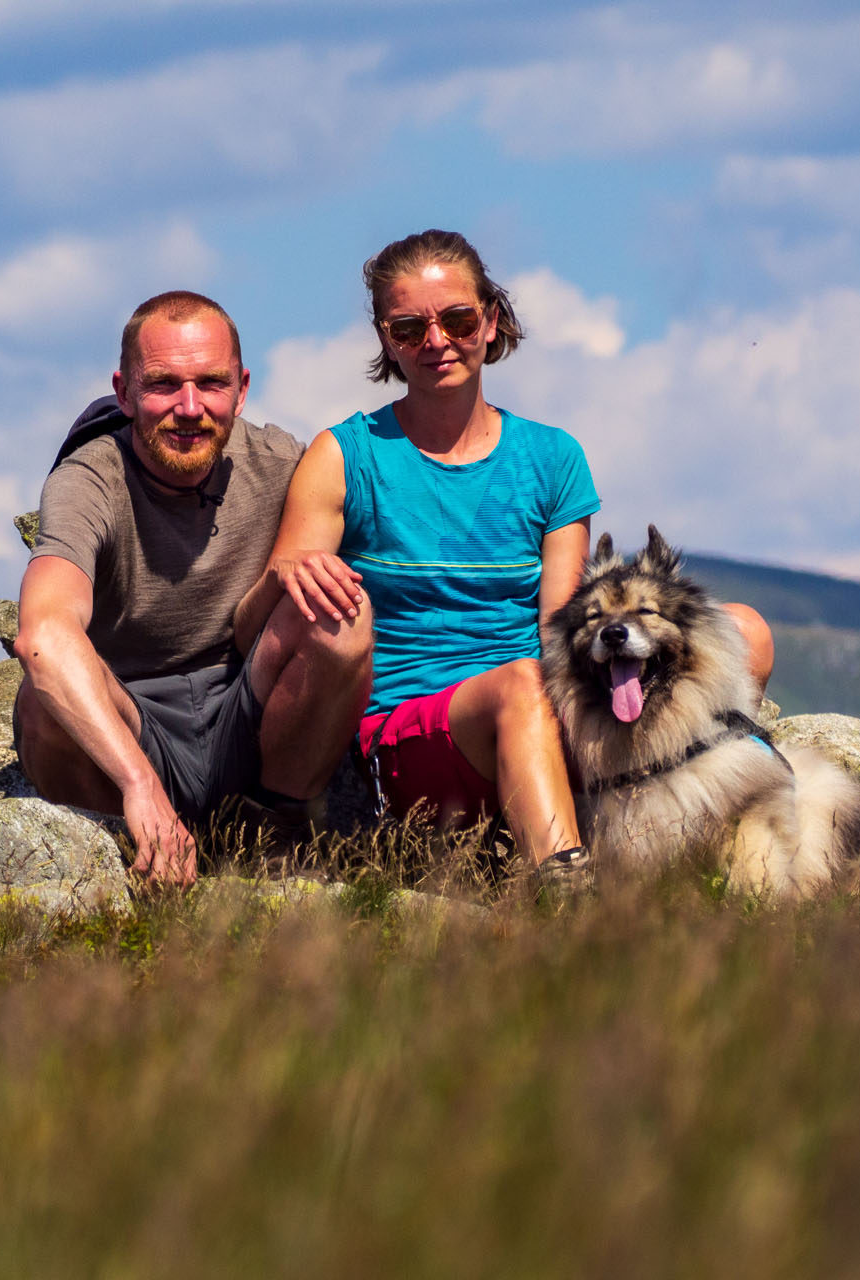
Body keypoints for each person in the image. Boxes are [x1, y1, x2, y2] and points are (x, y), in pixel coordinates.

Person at [244, 230, 773, 875]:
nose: (436, 341)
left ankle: (705, 847)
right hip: (410, 739)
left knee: (743, 631)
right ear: (386, 340)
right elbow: (264, 633)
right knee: (521, 685)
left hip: (544, 714)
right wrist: (284, 576)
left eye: (459, 319)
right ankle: (563, 897)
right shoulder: (344, 456)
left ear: (491, 322)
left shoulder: (553, 459)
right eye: (410, 329)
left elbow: (565, 626)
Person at [13, 290, 374, 887]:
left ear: (242, 387)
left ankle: (273, 836)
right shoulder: (89, 480)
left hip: (245, 713)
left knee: (343, 610)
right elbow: (44, 633)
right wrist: (139, 786)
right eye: (162, 384)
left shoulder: (282, 461)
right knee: (40, 702)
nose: (189, 407)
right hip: (130, 724)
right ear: (124, 392)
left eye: (210, 383)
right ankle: (120, 857)